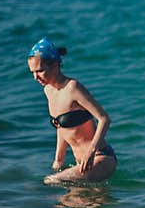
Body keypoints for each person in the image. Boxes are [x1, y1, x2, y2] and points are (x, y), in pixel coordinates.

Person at [27, 37, 116, 183]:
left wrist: (91, 152)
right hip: (81, 164)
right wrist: (58, 160)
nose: (36, 77)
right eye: (32, 72)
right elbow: (60, 126)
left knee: (52, 181)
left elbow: (104, 119)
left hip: (100, 158)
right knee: (80, 205)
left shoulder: (73, 88)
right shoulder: (48, 90)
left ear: (55, 65)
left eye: (40, 71)